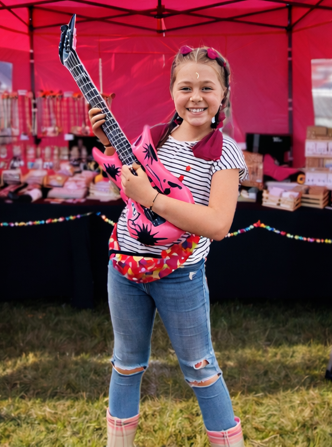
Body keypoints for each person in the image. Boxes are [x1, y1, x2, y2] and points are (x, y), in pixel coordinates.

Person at [89, 46, 247, 447]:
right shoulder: (154, 138)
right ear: (172, 92)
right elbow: (129, 187)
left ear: (224, 94)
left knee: (200, 368)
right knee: (125, 364)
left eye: (207, 88)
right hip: (125, 270)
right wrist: (109, 146)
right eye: (185, 87)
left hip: (181, 276)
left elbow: (218, 225)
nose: (196, 97)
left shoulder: (224, 152)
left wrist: (153, 198)